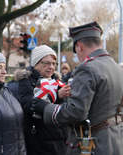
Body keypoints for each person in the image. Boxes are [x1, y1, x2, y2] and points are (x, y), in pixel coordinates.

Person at [32, 21, 123, 154]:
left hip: (92, 144)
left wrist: (46, 108)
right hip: (114, 140)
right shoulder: (115, 66)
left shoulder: (87, 68)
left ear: (79, 46)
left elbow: (76, 112)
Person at [18, 45, 70, 155]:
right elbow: (29, 105)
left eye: (53, 63)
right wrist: (57, 96)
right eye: (46, 63)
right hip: (40, 141)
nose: (51, 67)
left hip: (61, 138)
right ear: (36, 64)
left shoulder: (57, 81)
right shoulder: (26, 81)